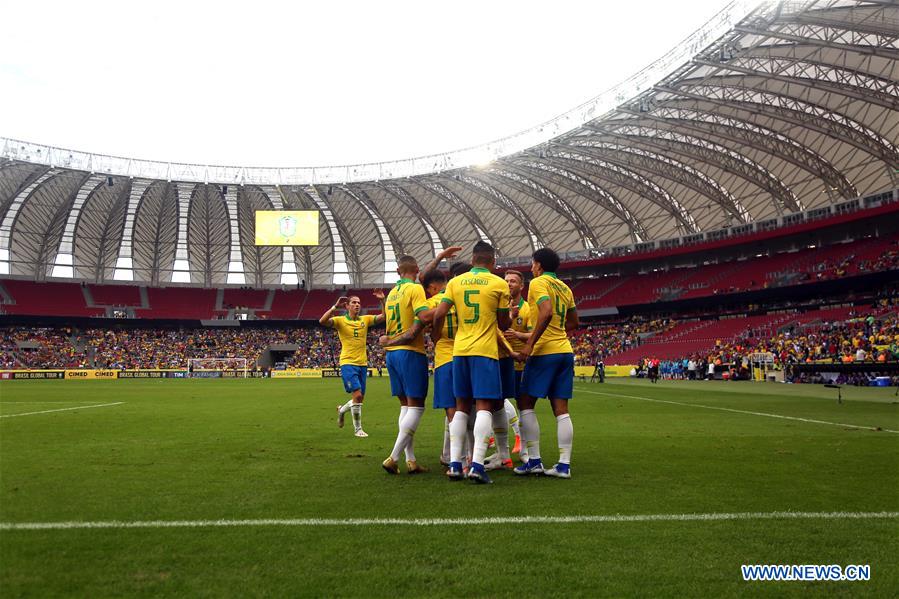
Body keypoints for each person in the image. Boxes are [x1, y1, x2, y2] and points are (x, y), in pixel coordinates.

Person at [424, 241, 511, 484]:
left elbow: (439, 314)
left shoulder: (454, 283)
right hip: (484, 351)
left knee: (460, 407)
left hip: (459, 351)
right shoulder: (498, 283)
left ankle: (454, 465)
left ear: (472, 260)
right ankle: (476, 465)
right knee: (483, 405)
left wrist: (436, 335)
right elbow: (504, 325)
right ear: (492, 263)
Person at [515, 247, 578, 479]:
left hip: (545, 352)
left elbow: (546, 311)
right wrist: (555, 332)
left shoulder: (538, 283)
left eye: (532, 263)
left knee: (526, 403)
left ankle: (534, 461)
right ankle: (563, 465)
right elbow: (574, 321)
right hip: (564, 351)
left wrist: (531, 342)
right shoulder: (565, 287)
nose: (531, 267)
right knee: (561, 410)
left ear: (539, 265)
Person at [378, 256, 431, 475]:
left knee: (405, 406)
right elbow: (423, 316)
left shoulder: (391, 294)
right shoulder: (415, 289)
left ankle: (411, 460)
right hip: (410, 352)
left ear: (398, 270)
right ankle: (394, 457)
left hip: (391, 354)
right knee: (417, 406)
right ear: (417, 270)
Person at [319, 292, 385, 438]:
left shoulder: (365, 320)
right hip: (348, 362)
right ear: (347, 306)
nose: (357, 305)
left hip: (362, 363)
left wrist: (382, 301)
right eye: (354, 302)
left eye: (359, 303)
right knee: (358, 394)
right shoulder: (340, 320)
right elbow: (322, 321)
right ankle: (358, 429)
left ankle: (342, 410)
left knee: (359, 398)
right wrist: (335, 307)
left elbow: (383, 316)